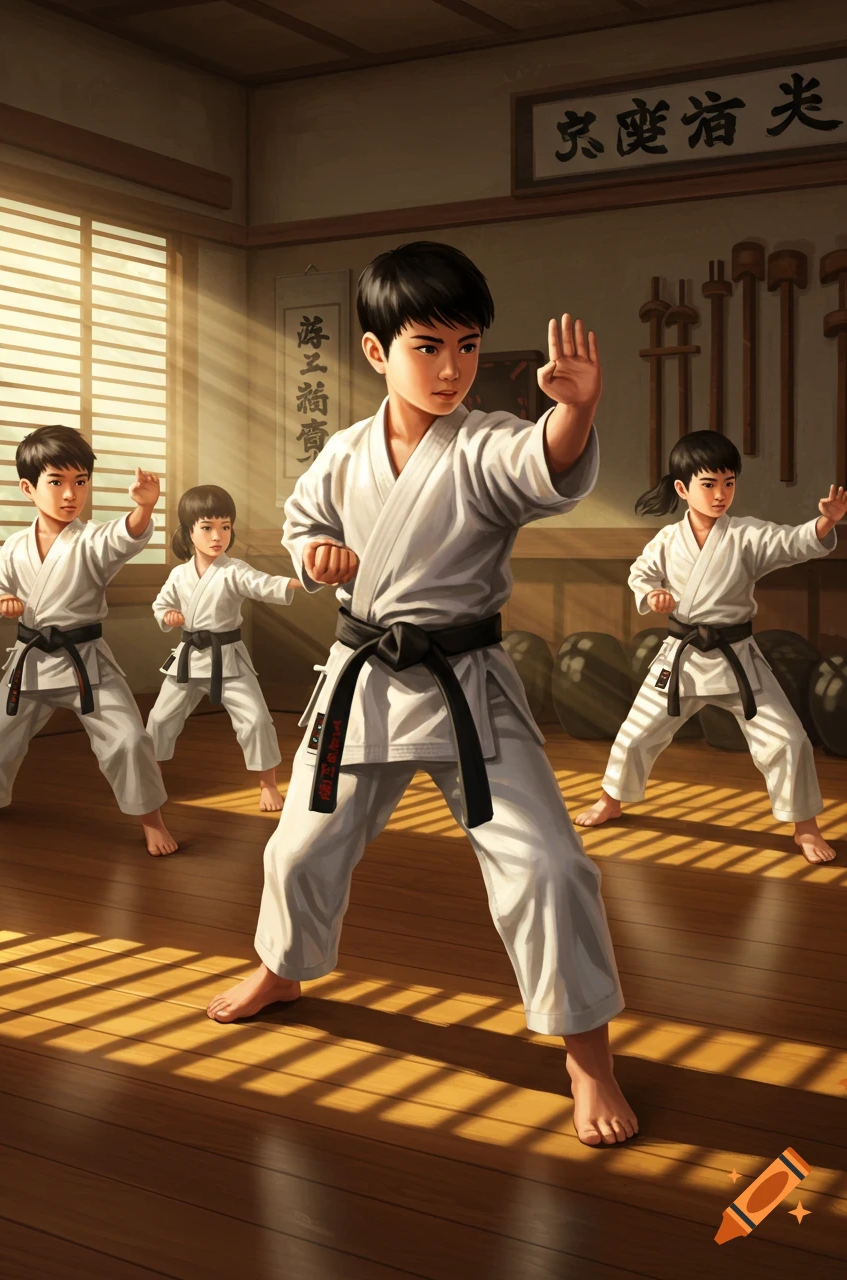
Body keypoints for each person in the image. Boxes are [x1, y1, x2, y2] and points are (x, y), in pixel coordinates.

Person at [207, 241, 637, 1147]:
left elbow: (544, 464)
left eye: (468, 346)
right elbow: (305, 525)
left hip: (465, 687)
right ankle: (285, 968)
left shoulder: (485, 445)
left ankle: (587, 1058)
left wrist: (579, 411)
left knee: (552, 869)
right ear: (376, 353)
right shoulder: (342, 453)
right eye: (427, 347)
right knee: (296, 854)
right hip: (362, 682)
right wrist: (315, 554)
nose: (451, 369)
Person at [575, 431, 845, 864]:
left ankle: (806, 827)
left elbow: (792, 542)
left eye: (729, 483)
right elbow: (640, 574)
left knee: (789, 740)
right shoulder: (666, 540)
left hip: (737, 658)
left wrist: (825, 524)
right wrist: (652, 596)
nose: (721, 495)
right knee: (636, 732)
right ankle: (612, 799)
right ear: (682, 488)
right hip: (680, 657)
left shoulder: (747, 536)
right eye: (709, 484)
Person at [0, 424, 177, 856]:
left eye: (80, 482)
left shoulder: (92, 540)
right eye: (56, 482)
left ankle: (152, 819)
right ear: (28, 488)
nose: (70, 494)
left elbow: (123, 536)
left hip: (84, 662)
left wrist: (144, 510)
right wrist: (3, 600)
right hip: (30, 661)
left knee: (129, 739)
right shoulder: (15, 546)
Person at [147, 484, 301, 812]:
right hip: (188, 660)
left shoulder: (234, 570)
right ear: (189, 533)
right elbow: (160, 605)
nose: (218, 536)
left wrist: (295, 582)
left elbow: (262, 584)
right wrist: (168, 615)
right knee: (160, 719)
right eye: (207, 528)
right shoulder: (179, 575)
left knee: (257, 719)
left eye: (225, 527)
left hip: (228, 659)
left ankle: (268, 784)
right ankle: (152, 775)